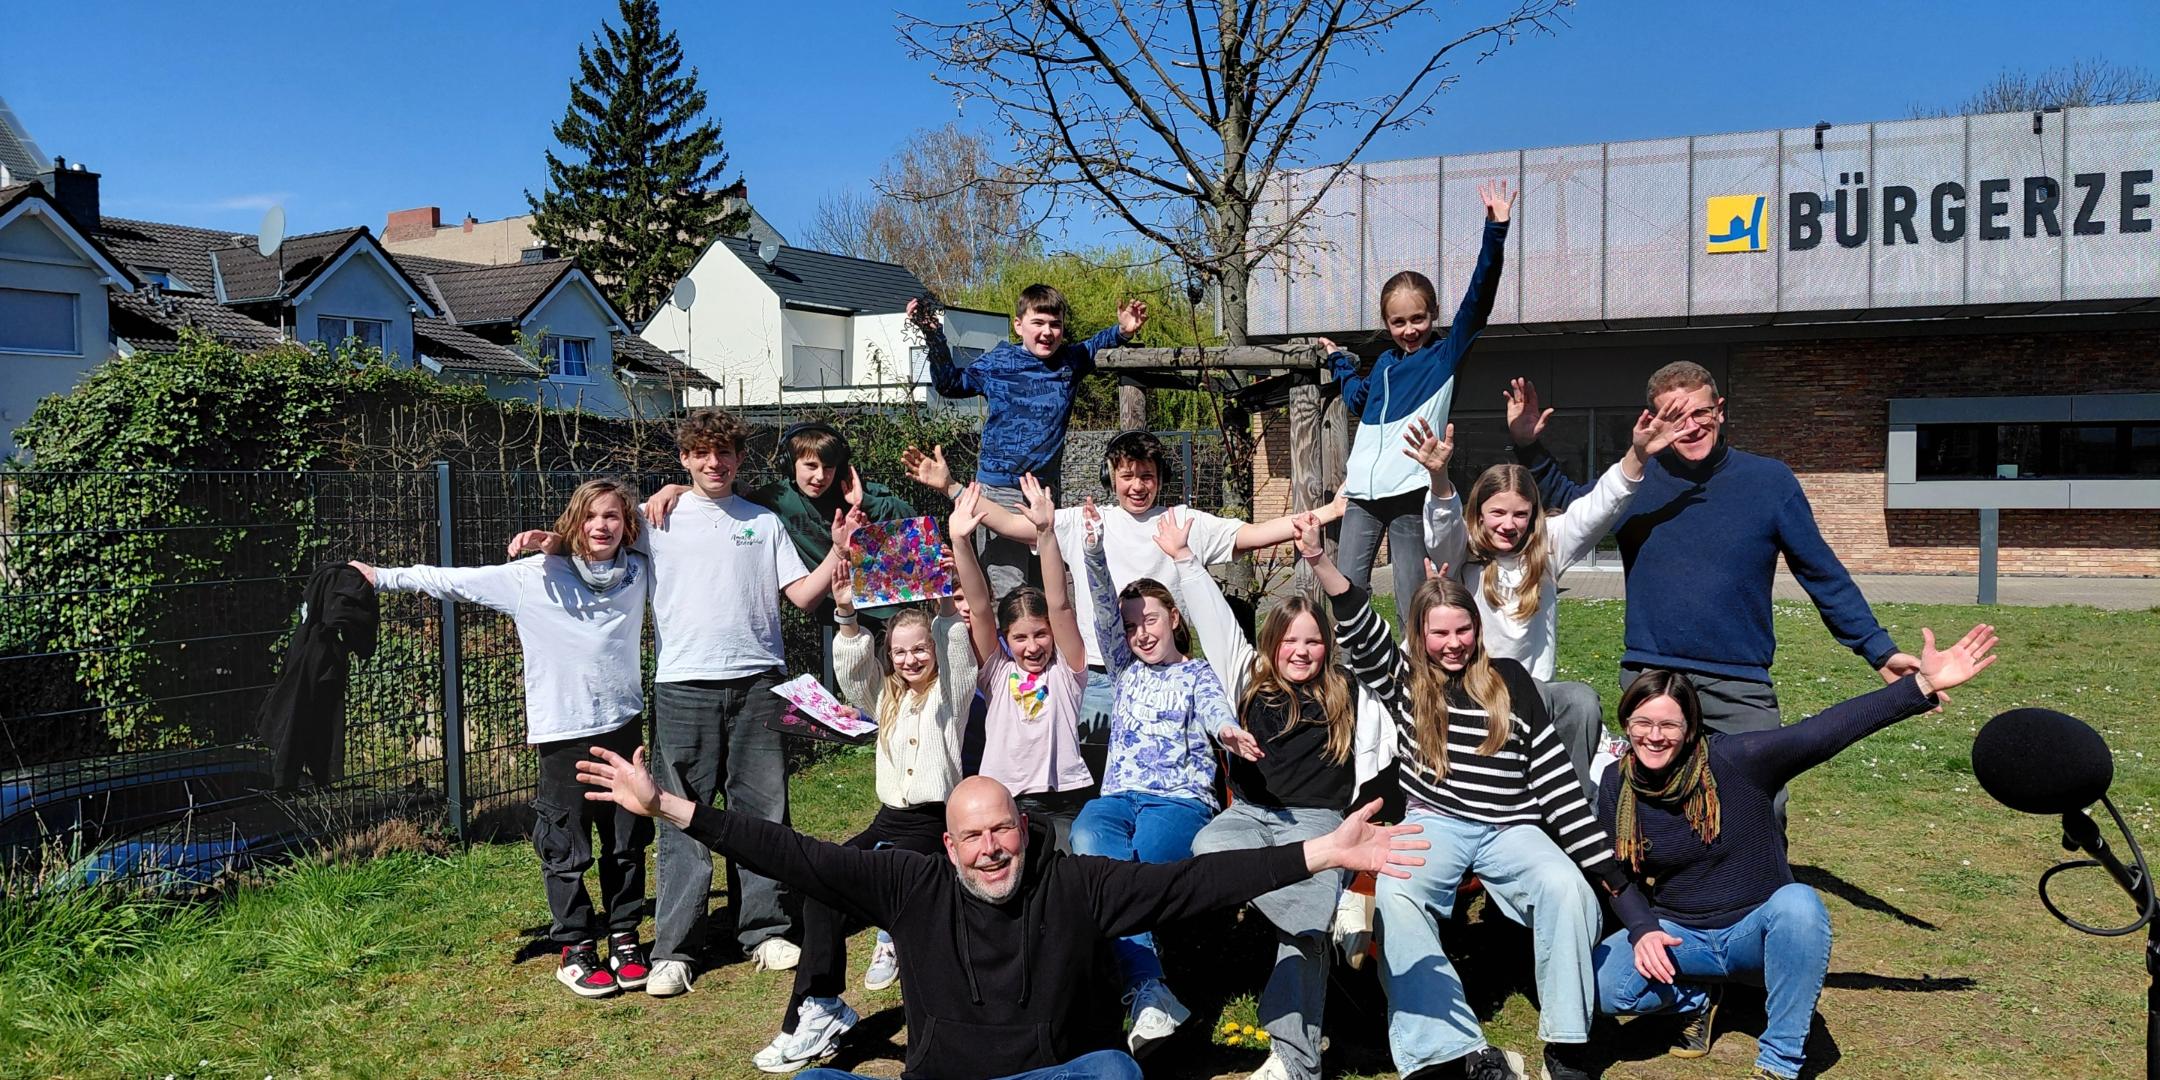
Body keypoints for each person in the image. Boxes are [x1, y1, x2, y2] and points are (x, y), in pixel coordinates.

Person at [573, 754, 1428, 1080]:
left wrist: (1320, 854)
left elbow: (1188, 885)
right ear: (947, 847)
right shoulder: (909, 886)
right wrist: (675, 812)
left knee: (1114, 1077)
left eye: (1002, 831)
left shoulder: (1077, 886)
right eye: (972, 836)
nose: (989, 850)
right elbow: (795, 854)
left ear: (1026, 831)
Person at [507, 408, 862, 995]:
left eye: (724, 453)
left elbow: (801, 595)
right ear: (685, 458)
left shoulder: (763, 522)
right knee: (679, 814)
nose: (714, 463)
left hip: (759, 684)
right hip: (683, 688)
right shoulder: (654, 520)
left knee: (762, 812)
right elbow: (602, 542)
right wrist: (552, 542)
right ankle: (677, 946)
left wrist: (837, 551)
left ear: (740, 460)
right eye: (701, 454)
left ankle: (766, 929)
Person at [1296, 517, 1654, 1080]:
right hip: (1433, 821)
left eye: (1462, 630)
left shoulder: (1511, 682)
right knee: (1397, 895)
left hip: (1514, 827)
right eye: (1439, 633)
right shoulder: (1407, 681)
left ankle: (1567, 1042)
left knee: (1567, 891)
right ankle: (1448, 1050)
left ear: (1476, 630)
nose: (1453, 643)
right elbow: (1361, 630)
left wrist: (1607, 870)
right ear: (1420, 637)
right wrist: (1321, 562)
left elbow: (1557, 784)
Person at [1591, 625, 1998, 1080]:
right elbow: (1614, 873)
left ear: (1690, 730)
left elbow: (1823, 733)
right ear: (1627, 724)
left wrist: (1920, 685)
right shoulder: (1617, 783)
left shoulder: (1737, 759)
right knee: (1598, 986)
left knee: (1799, 904)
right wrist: (1644, 929)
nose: (1654, 736)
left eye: (1669, 724)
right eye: (1642, 723)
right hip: (1680, 937)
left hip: (1754, 935)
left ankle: (1780, 1061)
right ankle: (1696, 1000)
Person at [1507, 364, 1919, 745]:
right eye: (1674, 418)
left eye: (1700, 413)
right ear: (1653, 421)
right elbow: (1573, 504)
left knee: (1759, 804)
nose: (1690, 427)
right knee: (1655, 809)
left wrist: (1878, 650)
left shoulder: (1769, 482)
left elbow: (1822, 574)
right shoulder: (1636, 482)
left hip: (1739, 680)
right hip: (1653, 674)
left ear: (1720, 411)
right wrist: (1528, 446)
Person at [354, 478, 654, 999]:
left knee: (627, 840)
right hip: (563, 734)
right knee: (567, 843)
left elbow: (680, 518)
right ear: (572, 521)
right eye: (590, 516)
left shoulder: (640, 571)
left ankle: (625, 935)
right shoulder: (531, 576)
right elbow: (453, 580)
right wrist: (379, 577)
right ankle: (577, 946)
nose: (601, 526)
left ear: (627, 525)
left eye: (612, 516)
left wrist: (670, 486)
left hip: (623, 725)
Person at [904, 430, 1347, 744]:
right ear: (1110, 477)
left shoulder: (1184, 522)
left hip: (1166, 674)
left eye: (1148, 476)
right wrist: (951, 486)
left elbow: (1255, 533)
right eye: (1127, 475)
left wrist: (1326, 513)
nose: (1137, 486)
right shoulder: (1083, 521)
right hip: (1095, 676)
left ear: (1160, 478)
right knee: (1094, 770)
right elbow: (1005, 521)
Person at [1167, 511, 1394, 1080]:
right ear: (1272, 642)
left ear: (1327, 646)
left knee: (1303, 926)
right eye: (1290, 640)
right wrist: (1184, 560)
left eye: (1313, 641)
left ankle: (1293, 1060)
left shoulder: (1350, 691)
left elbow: (1380, 754)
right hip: (1251, 815)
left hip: (1318, 821)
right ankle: (1332, 903)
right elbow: (1214, 621)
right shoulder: (1246, 677)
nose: (1301, 650)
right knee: (1208, 852)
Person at [753, 559, 978, 1072]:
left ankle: (883, 948)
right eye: (899, 652)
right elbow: (854, 673)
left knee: (883, 885)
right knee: (821, 882)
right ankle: (820, 1006)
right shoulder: (886, 697)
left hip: (929, 825)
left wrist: (944, 602)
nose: (910, 658)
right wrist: (848, 616)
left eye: (920, 648)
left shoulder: (951, 695)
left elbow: (959, 655)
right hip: (887, 821)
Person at [1406, 393, 1686, 790]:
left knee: (1582, 701)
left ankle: (1570, 801)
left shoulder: (1549, 546)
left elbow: (1599, 508)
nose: (1508, 524)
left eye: (1520, 514)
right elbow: (1443, 530)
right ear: (1479, 514)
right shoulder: (1464, 552)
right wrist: (1439, 478)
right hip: (1471, 687)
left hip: (1533, 692)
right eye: (1497, 513)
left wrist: (1637, 456)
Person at [1068, 497, 1243, 1056]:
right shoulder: (1120, 670)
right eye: (1131, 625)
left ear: (1173, 618)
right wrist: (1093, 551)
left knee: (1134, 868)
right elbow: (1098, 606)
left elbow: (1217, 709)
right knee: (1087, 840)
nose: (1140, 633)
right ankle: (1150, 989)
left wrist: (1228, 733)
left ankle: (1142, 989)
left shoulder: (1196, 673)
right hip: (1115, 798)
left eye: (1150, 620)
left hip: (1180, 801)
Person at [1318, 179, 1514, 607]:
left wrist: (1495, 231)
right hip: (1363, 497)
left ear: (1434, 315)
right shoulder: (1386, 366)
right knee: (1347, 590)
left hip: (1410, 493)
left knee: (1413, 595)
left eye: (1418, 319)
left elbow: (1478, 300)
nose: (1410, 330)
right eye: (1399, 322)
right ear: (1387, 324)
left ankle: (1417, 672)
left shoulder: (1443, 358)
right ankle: (1354, 668)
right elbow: (1355, 396)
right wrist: (1338, 361)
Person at [645, 421, 917, 689]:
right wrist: (674, 489)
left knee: (908, 689)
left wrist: (863, 501)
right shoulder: (774, 499)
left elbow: (910, 522)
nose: (820, 476)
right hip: (842, 614)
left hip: (890, 610)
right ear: (790, 464)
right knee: (866, 697)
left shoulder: (854, 491)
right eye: (810, 466)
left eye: (828, 468)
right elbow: (717, 490)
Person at [919, 287, 1148, 597]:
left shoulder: (1069, 362)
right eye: (1038, 323)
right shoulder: (999, 362)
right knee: (1007, 592)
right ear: (1018, 325)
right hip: (999, 491)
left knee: (1050, 587)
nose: (1047, 332)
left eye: (1055, 324)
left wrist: (1122, 331)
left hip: (1045, 492)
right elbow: (950, 383)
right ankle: (1005, 646)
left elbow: (1095, 344)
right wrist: (934, 336)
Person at [947, 479, 1095, 846]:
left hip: (1065, 799)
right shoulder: (997, 672)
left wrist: (1046, 534)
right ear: (1006, 639)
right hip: (1007, 800)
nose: (1032, 647)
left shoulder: (1067, 669)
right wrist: (961, 543)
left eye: (1040, 634)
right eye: (1020, 638)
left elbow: (1059, 603)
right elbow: (980, 608)